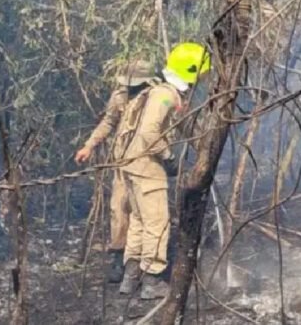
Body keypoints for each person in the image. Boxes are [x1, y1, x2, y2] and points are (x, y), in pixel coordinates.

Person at [118, 42, 211, 300]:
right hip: (147, 167)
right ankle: (152, 281)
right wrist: (168, 157)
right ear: (190, 72)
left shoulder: (159, 91)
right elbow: (150, 131)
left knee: (139, 221)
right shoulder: (166, 95)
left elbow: (183, 124)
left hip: (132, 165)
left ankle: (130, 277)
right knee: (157, 224)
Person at [75, 59, 158, 283]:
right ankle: (119, 258)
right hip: (122, 163)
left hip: (149, 163)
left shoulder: (158, 95)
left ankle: (145, 266)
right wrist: (89, 145)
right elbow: (108, 122)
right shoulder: (119, 96)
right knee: (119, 210)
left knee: (146, 215)